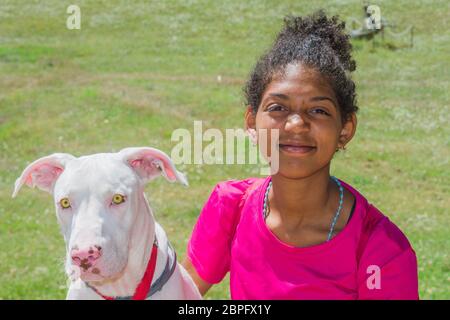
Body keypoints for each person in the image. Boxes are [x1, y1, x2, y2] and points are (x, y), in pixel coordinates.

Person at [182, 10, 419, 300]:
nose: (296, 124)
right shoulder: (231, 209)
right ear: (251, 122)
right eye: (278, 108)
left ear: (345, 129)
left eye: (318, 110)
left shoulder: (380, 248)